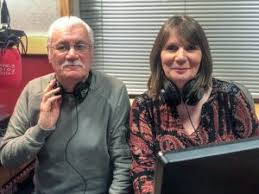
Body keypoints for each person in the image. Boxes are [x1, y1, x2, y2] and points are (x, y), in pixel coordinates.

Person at [0, 16, 132, 194]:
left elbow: (123, 163)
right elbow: (7, 158)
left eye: (80, 46)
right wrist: (41, 129)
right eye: (62, 47)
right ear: (49, 53)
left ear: (91, 52)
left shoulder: (115, 91)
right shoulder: (33, 91)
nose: (71, 55)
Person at [128, 15, 259, 194]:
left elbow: (254, 157)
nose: (181, 57)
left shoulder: (231, 98)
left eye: (190, 48)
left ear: (202, 56)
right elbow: (142, 173)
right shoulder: (144, 107)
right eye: (171, 48)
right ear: (159, 56)